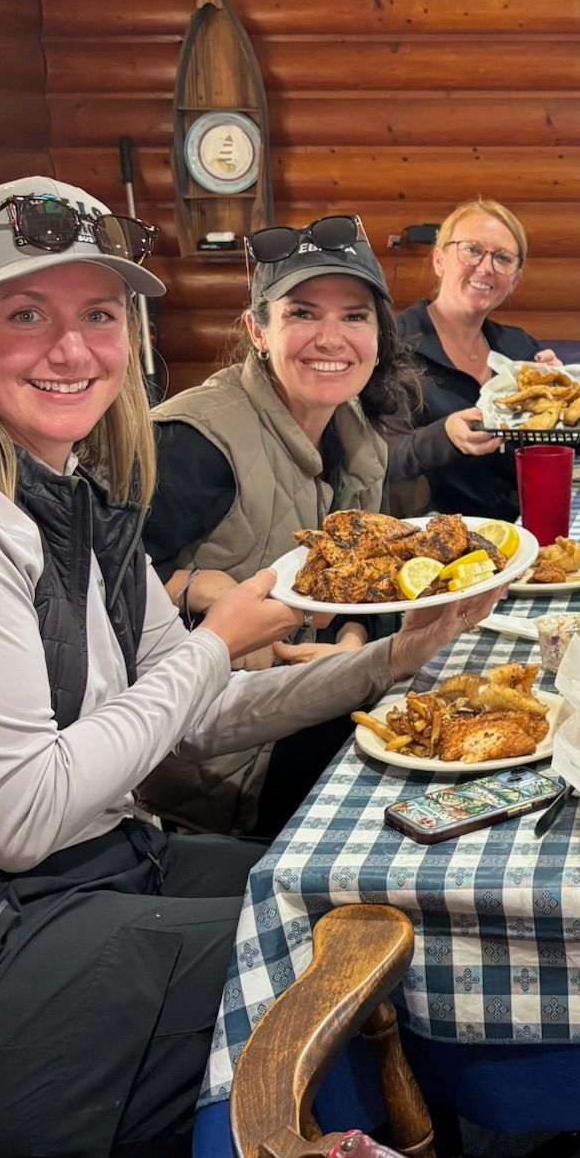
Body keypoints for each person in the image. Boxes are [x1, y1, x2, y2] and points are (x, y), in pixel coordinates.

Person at [0, 177, 500, 1158]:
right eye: (26, 313)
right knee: (361, 966)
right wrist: (216, 635)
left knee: (376, 906)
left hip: (110, 862)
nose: (72, 348)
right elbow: (16, 818)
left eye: (97, 314)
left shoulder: (78, 489)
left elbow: (196, 716)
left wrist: (389, 660)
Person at [144, 214, 421, 836]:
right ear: (257, 331)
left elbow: (372, 583)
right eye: (301, 313)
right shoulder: (197, 440)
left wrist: (351, 641)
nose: (331, 337)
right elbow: (101, 583)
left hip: (321, 711)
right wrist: (204, 588)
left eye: (354, 315)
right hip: (227, 771)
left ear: (379, 335)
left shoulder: (358, 434)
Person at [389, 198, 580, 521]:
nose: (486, 267)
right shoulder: (393, 347)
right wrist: (442, 436)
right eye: (472, 249)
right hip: (437, 549)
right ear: (439, 260)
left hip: (524, 534)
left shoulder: (517, 347)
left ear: (514, 279)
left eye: (502, 258)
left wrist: (567, 395)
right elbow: (372, 458)